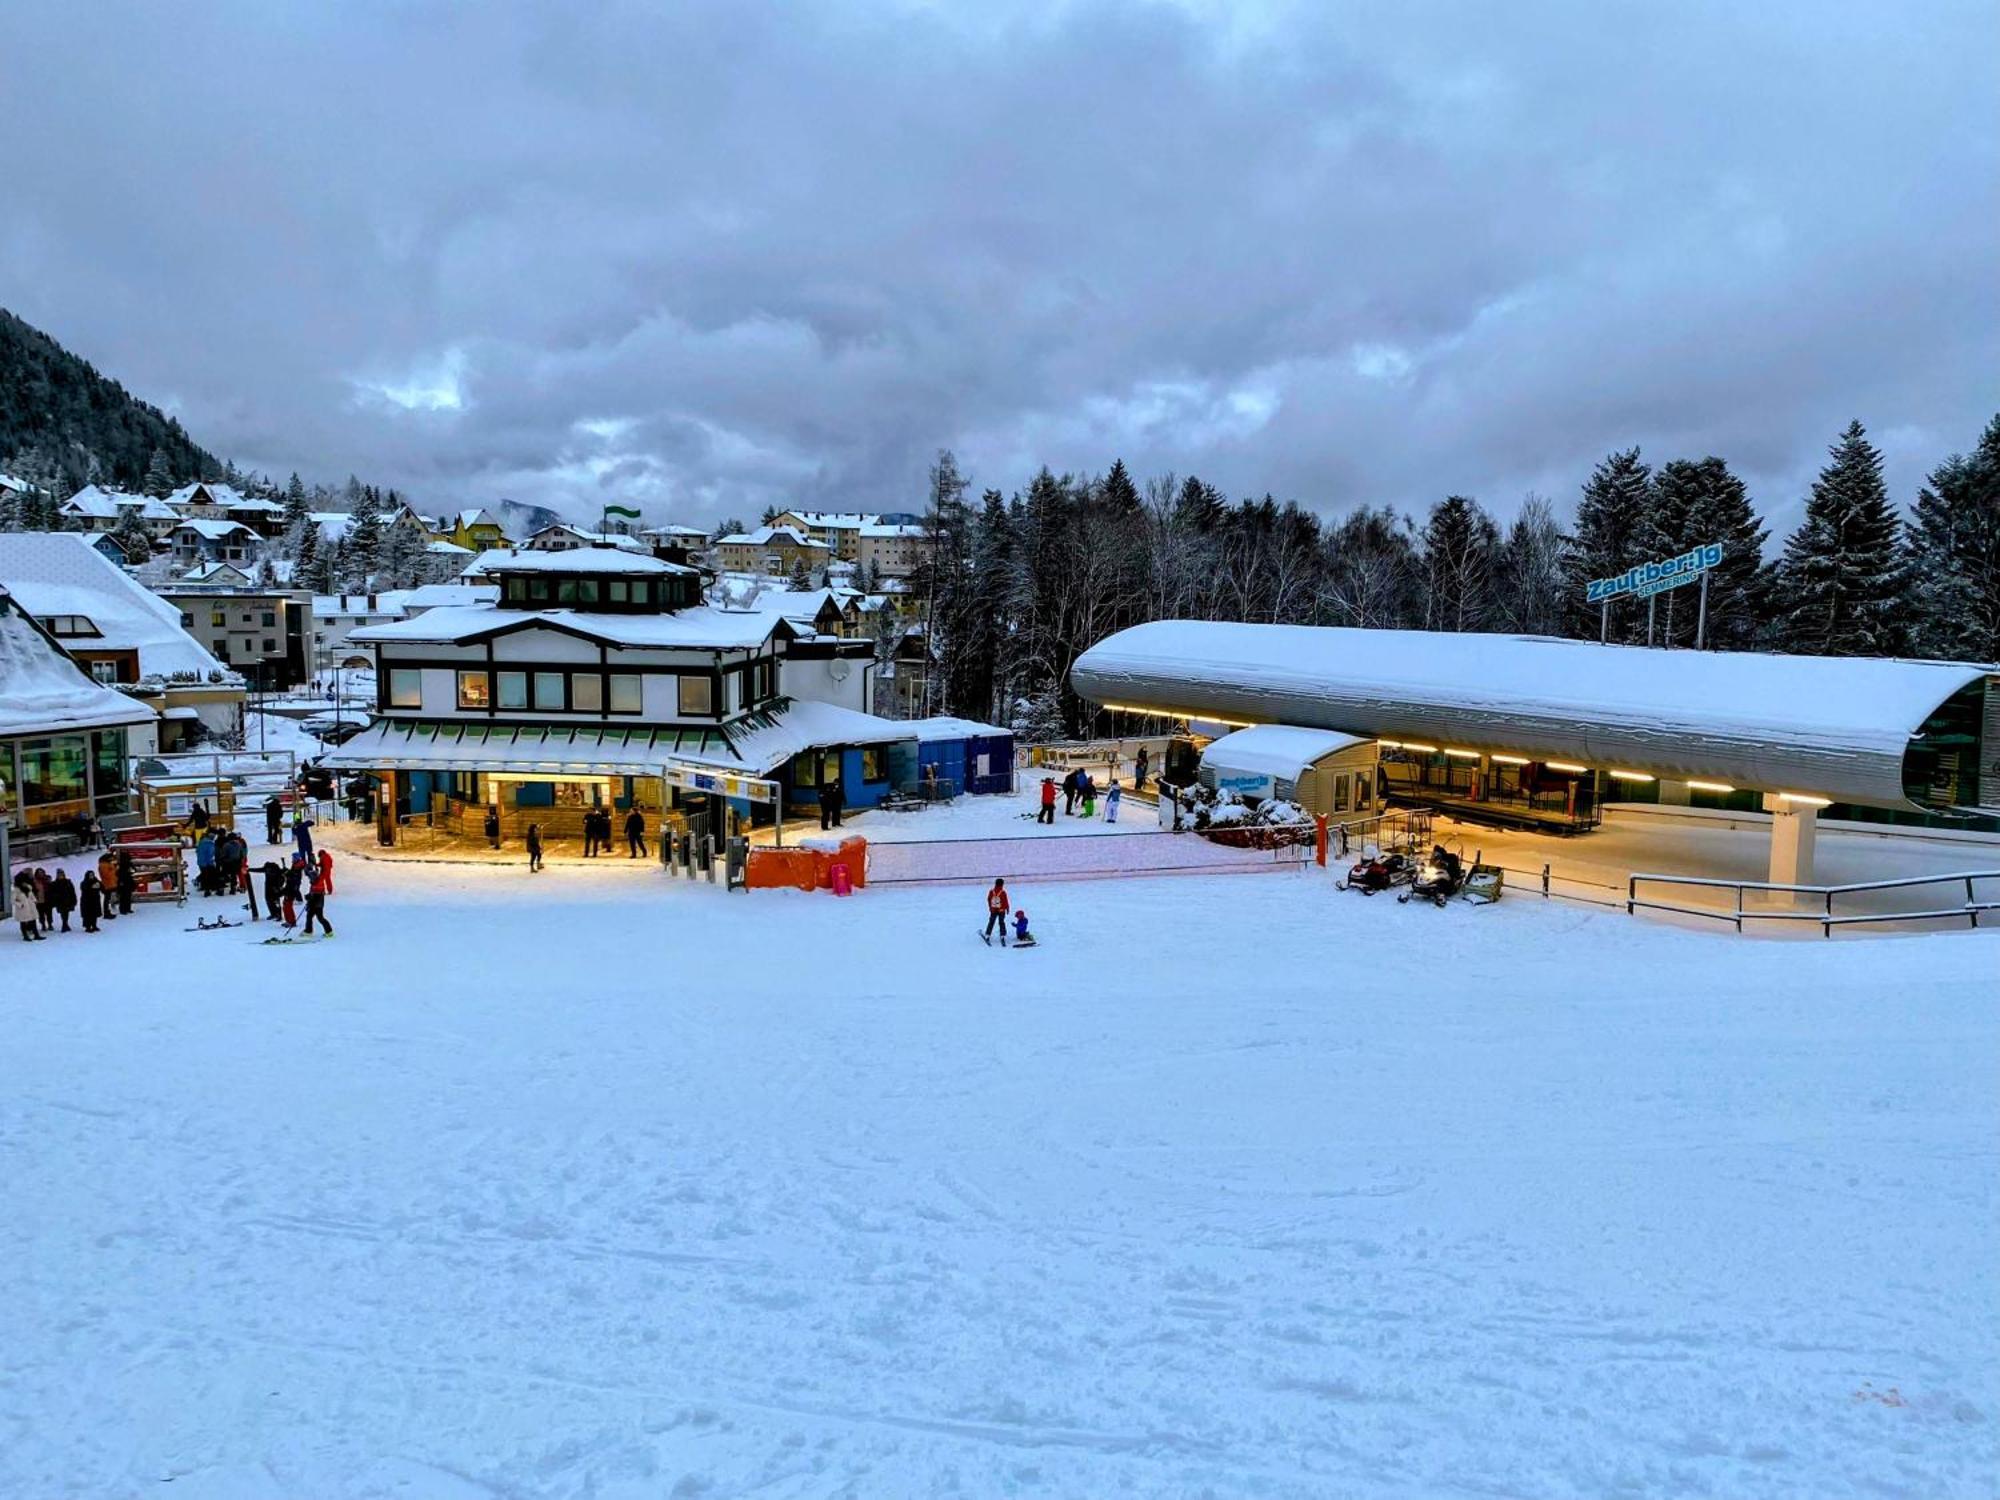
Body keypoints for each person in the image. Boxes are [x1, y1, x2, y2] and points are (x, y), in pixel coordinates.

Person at [301, 857, 334, 938]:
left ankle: (326, 931)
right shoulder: (315, 882)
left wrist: (309, 899)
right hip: (315, 903)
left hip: (317, 905)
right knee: (311, 917)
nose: (310, 880)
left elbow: (316, 896)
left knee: (319, 918)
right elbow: (312, 893)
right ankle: (309, 931)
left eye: (311, 879)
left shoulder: (318, 885)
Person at [983, 878, 1010, 946]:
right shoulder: (1003, 892)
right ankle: (1002, 935)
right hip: (1001, 910)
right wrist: (1007, 908)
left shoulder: (991, 891)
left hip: (993, 910)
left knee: (991, 922)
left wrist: (990, 907)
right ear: (1002, 884)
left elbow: (988, 899)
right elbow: (1005, 901)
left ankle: (988, 934)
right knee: (1001, 922)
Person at [261, 860, 287, 927]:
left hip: (275, 888)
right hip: (268, 888)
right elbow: (259, 870)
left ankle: (279, 915)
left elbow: (284, 875)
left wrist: (279, 886)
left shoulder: (276, 870)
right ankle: (273, 914)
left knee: (276, 902)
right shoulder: (267, 868)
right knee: (269, 901)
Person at [282, 855, 305, 928]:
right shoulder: (295, 866)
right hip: (289, 888)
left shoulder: (297, 868)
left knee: (288, 905)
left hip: (291, 889)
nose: (292, 859)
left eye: (293, 858)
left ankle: (291, 921)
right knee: (285, 905)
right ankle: (288, 920)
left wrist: (288, 874)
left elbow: (293, 878)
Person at [97, 849, 120, 921]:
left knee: (108, 898)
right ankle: (106, 912)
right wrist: (114, 869)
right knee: (106, 899)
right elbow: (107, 874)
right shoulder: (104, 865)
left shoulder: (107, 864)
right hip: (107, 884)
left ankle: (107, 911)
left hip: (110, 883)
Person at [115, 849, 136, 914]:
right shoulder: (121, 864)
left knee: (127, 896)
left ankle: (126, 909)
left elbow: (134, 870)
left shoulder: (126, 864)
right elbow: (118, 873)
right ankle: (124, 909)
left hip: (127, 881)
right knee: (124, 896)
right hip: (124, 881)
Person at [32, 867, 52, 932]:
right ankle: (43, 925)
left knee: (49, 913)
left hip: (47, 899)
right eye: (39, 873)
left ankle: (50, 924)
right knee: (41, 914)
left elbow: (51, 888)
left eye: (41, 872)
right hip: (39, 900)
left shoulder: (47, 879)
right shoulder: (34, 881)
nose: (40, 874)